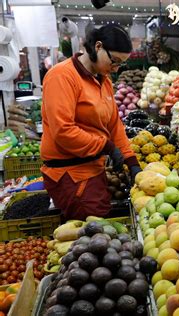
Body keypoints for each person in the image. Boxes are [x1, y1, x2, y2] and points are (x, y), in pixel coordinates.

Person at [40, 25, 141, 220]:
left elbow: (113, 125)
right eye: (114, 61)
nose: (116, 68)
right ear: (98, 46)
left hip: (93, 168)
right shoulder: (62, 76)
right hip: (70, 174)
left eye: (121, 64)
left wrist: (131, 161)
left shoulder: (103, 80)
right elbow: (63, 130)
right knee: (92, 235)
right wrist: (106, 146)